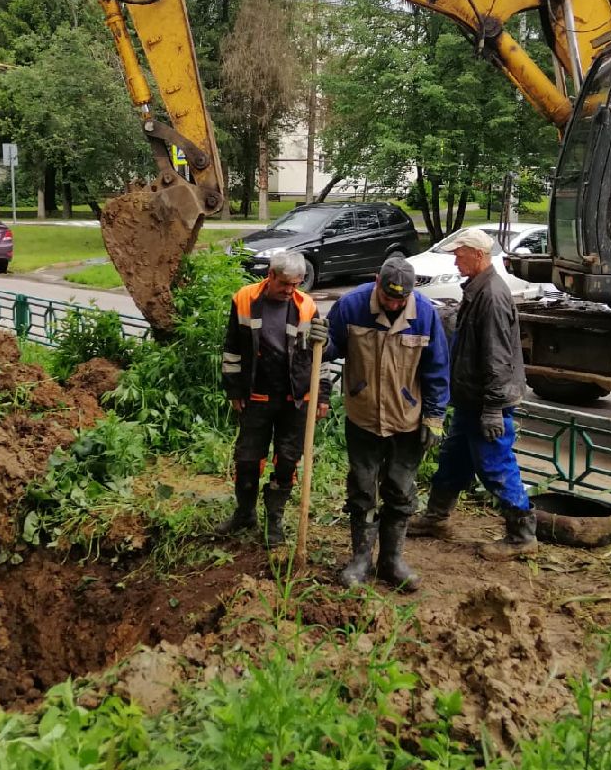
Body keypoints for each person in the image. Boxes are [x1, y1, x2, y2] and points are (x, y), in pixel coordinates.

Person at [322, 255, 450, 591]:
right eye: (388, 297)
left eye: (400, 299)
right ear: (377, 283)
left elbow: (437, 369)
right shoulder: (351, 306)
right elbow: (331, 349)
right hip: (363, 417)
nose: (393, 304)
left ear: (411, 292)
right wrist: (320, 341)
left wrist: (434, 416)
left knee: (400, 488)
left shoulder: (425, 314)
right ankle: (360, 560)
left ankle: (391, 561)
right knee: (363, 487)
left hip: (406, 419)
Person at [408, 227, 535, 560]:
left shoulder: (491, 295)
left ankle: (522, 534)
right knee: (454, 459)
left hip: (486, 402)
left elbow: (497, 357)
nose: (455, 261)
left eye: (459, 255)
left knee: (495, 465)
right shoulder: (478, 288)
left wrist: (493, 408)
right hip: (471, 400)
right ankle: (436, 517)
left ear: (478, 255)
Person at [219, 249, 331, 547]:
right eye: (284, 284)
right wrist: (234, 390)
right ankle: (245, 514)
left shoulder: (306, 306)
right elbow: (232, 347)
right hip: (256, 396)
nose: (290, 290)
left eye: (296, 284)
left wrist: (322, 395)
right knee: (247, 459)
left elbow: (318, 355)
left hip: (295, 399)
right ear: (270, 275)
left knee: (287, 461)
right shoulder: (244, 299)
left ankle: (274, 521)